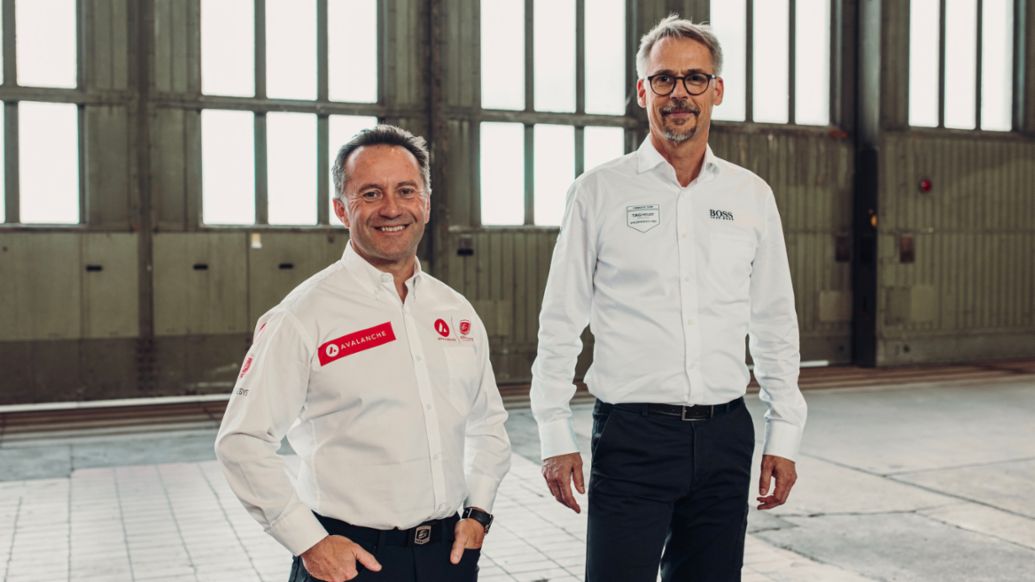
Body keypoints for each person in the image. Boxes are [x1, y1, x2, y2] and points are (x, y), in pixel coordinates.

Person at [529, 15, 808, 582]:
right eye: (663, 79)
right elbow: (561, 320)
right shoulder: (598, 192)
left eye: (695, 78)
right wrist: (554, 434)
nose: (679, 92)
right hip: (633, 439)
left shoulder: (751, 195)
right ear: (642, 91)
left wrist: (786, 432)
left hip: (727, 437)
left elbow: (775, 319)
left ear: (717, 90)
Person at [215, 125, 511, 582]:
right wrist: (309, 542)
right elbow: (241, 441)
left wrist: (479, 512)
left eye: (406, 191)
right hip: (349, 562)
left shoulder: (456, 312)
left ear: (426, 203)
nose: (391, 208)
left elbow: (487, 422)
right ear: (340, 208)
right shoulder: (302, 316)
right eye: (370, 193)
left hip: (447, 558)